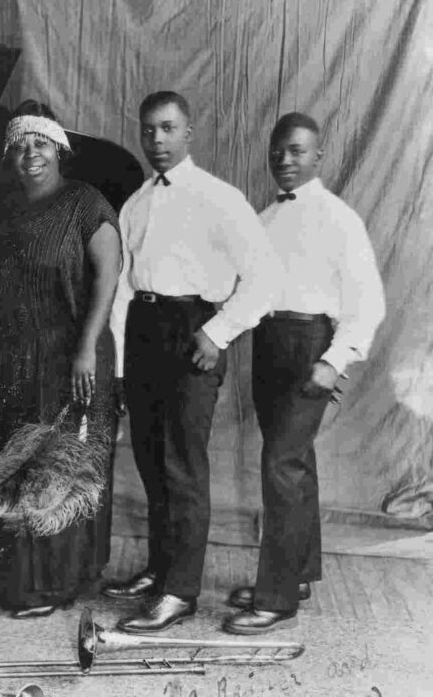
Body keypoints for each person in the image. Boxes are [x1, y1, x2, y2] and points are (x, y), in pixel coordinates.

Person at [103, 90, 280, 633]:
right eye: (149, 129)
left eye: (168, 128)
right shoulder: (135, 203)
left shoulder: (219, 198)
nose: (157, 139)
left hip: (192, 331)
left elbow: (265, 278)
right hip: (144, 330)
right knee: (152, 461)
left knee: (182, 465)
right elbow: (124, 288)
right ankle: (160, 569)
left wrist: (218, 332)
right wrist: (119, 366)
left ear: (189, 132)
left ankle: (180, 592)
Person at [222, 112, 385, 635]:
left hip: (311, 344)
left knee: (281, 466)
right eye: (278, 151)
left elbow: (368, 301)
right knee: (294, 461)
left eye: (296, 151)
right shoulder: (264, 218)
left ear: (319, 156)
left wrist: (333, 360)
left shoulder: (339, 218)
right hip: (269, 342)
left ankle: (275, 599)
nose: (285, 160)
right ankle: (295, 574)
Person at [0, 100, 122, 618]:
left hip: (70, 353)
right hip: (15, 354)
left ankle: (53, 584)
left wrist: (86, 349)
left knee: (58, 463)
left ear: (60, 149)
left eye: (42, 143)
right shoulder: (5, 209)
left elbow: (108, 277)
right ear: (10, 154)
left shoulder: (85, 202)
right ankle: (16, 580)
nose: (31, 153)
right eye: (21, 144)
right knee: (15, 459)